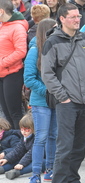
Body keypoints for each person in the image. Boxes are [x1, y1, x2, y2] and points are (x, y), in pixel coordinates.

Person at [41, 3, 85, 183]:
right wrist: (63, 97)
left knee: (79, 146)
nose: (77, 20)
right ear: (62, 19)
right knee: (65, 146)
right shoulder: (52, 41)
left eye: (78, 17)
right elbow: (47, 73)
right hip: (67, 103)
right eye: (73, 17)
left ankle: (73, 179)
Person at [24, 18, 58, 183]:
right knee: (41, 137)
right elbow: (29, 79)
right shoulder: (34, 51)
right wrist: (47, 91)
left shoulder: (58, 49)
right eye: (54, 29)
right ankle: (36, 174)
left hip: (56, 100)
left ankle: (50, 170)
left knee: (53, 136)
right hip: (41, 101)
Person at [0, 0, 28, 129]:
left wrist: (2, 63)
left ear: (1, 11)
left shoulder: (17, 27)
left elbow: (21, 51)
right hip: (2, 74)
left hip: (13, 73)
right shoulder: (3, 25)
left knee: (15, 112)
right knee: (6, 113)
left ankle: (21, 142)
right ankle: (13, 141)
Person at [0, 113, 35, 180]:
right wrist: (7, 159)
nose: (23, 132)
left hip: (41, 158)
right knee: (14, 160)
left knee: (38, 162)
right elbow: (18, 150)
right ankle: (3, 168)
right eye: (22, 129)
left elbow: (32, 152)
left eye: (26, 129)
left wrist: (22, 164)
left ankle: (17, 172)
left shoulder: (36, 138)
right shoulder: (24, 137)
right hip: (27, 157)